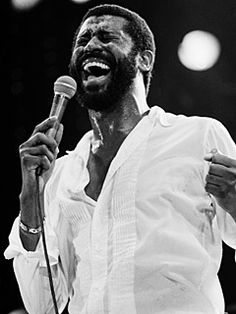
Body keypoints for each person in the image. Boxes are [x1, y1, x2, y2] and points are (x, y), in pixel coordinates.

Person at [4, 3, 236, 314]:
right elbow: (41, 305)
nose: (91, 45)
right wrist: (29, 199)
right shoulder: (58, 173)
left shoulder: (198, 136)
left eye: (106, 37)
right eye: (82, 41)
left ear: (144, 59)